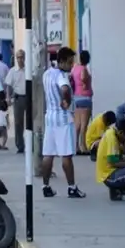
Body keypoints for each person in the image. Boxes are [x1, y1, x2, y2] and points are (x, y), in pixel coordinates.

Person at [41, 47, 85, 198]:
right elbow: (65, 89)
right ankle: (72, 187)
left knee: (48, 154)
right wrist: (66, 100)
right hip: (63, 119)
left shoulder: (47, 74)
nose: (72, 65)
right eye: (70, 62)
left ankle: (46, 186)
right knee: (66, 155)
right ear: (62, 61)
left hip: (50, 117)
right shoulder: (61, 76)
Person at [70, 50, 93, 155]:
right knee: (84, 125)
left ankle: (75, 146)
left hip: (76, 97)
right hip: (85, 98)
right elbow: (83, 78)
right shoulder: (84, 69)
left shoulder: (75, 68)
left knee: (77, 124)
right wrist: (85, 84)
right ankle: (83, 146)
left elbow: (72, 79)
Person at [5, 50, 27, 153]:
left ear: (24, 58)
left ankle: (32, 144)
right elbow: (8, 86)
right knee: (18, 122)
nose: (20, 59)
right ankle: (20, 145)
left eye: (21, 57)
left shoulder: (28, 70)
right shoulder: (13, 71)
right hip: (18, 98)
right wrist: (8, 97)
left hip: (28, 97)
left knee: (30, 121)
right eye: (18, 57)